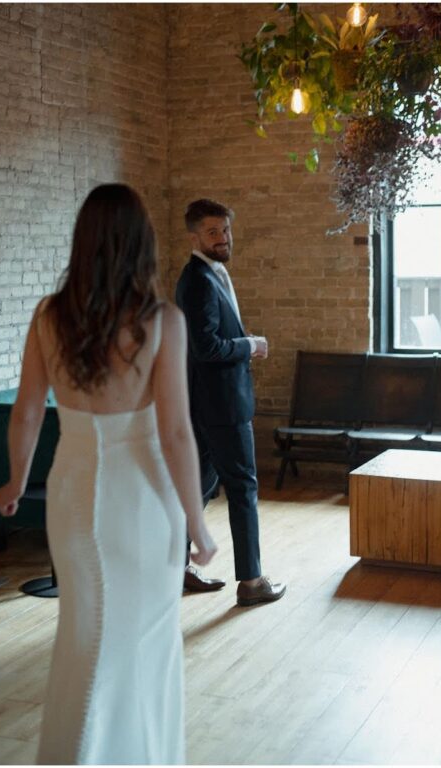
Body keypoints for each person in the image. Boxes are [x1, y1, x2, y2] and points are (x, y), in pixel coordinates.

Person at [0, 183, 216, 763]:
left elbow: (26, 411)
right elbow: (175, 433)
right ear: (142, 243)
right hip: (145, 502)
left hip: (71, 494)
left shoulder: (49, 316)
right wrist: (198, 523)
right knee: (146, 643)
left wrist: (17, 481)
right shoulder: (162, 319)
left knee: (84, 637)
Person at [174, 198, 285, 607]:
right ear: (194, 236)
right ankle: (253, 581)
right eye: (212, 232)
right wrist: (250, 345)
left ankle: (178, 569)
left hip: (204, 403)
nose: (222, 239)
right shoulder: (199, 279)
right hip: (221, 405)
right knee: (243, 487)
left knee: (197, 486)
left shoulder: (206, 275)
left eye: (225, 231)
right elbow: (207, 348)